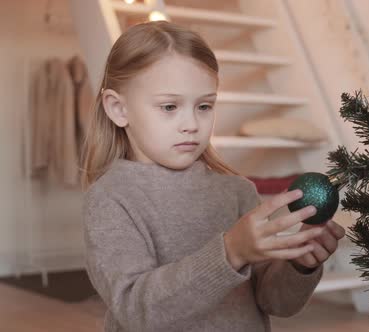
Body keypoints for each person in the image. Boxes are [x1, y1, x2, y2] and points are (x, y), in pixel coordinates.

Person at [80, 21, 346, 332]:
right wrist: (231, 251)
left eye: (204, 106)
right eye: (169, 106)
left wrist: (300, 265)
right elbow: (136, 312)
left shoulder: (237, 191)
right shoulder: (111, 198)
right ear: (118, 109)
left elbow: (274, 303)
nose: (191, 123)